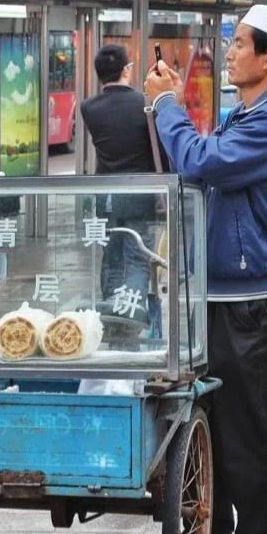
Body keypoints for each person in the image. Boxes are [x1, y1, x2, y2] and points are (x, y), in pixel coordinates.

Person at [143, 4, 267, 534]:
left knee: (247, 426)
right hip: (219, 296)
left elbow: (200, 161)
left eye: (239, 43)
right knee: (207, 416)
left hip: (252, 303)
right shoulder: (248, 111)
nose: (229, 50)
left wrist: (167, 106)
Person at [79, 44, 164, 326]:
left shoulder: (89, 108)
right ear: (127, 70)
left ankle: (111, 317)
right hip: (142, 196)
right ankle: (132, 318)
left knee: (112, 256)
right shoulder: (145, 105)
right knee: (139, 257)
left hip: (106, 198)